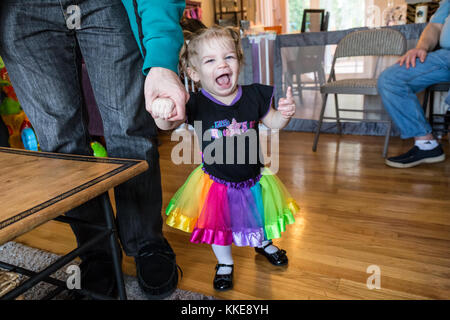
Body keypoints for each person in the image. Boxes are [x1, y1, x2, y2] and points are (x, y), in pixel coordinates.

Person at [0, 0, 188, 299]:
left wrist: (163, 61)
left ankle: (146, 242)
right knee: (61, 147)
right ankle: (97, 252)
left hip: (105, 4)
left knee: (130, 130)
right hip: (20, 12)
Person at [149, 26, 300, 291]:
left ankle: (262, 243)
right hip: (216, 182)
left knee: (258, 215)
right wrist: (162, 110)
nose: (222, 64)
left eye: (228, 57)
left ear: (239, 62)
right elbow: (166, 126)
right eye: (210, 60)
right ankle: (225, 263)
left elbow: (273, 121)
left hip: (254, 177)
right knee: (219, 226)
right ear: (194, 73)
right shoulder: (194, 103)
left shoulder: (254, 95)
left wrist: (284, 114)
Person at [377, 0, 450, 168]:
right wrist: (421, 47)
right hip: (444, 55)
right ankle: (426, 145)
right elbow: (435, 26)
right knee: (390, 79)